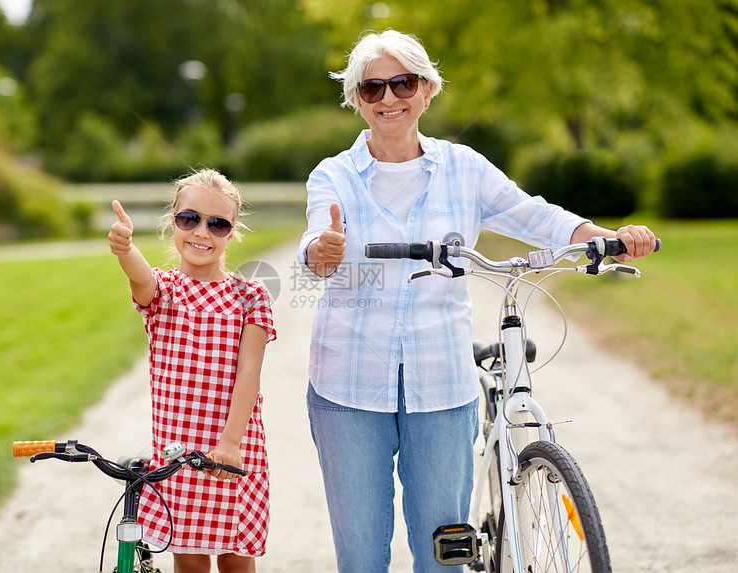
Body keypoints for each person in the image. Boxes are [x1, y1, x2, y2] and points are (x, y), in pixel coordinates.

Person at [297, 29, 657, 572]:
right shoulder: (335, 176)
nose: (389, 98)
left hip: (441, 384)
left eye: (402, 83)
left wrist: (607, 236)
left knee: (444, 557)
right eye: (373, 88)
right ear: (356, 100)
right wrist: (321, 252)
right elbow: (315, 249)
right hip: (348, 387)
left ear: (427, 89)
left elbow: (535, 217)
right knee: (362, 558)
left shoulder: (465, 168)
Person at [109, 168, 276, 573]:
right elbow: (140, 277)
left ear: (233, 233)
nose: (202, 232)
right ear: (173, 222)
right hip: (177, 454)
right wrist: (125, 248)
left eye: (218, 224)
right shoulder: (164, 290)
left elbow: (248, 372)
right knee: (190, 561)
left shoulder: (249, 295)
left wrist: (230, 443)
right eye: (190, 219)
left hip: (233, 445)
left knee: (237, 562)